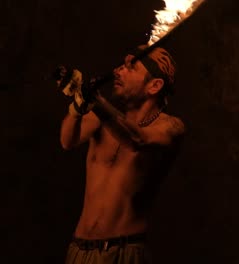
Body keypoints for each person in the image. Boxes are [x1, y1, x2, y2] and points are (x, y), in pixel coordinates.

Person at [58, 45, 185, 264]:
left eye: (130, 68)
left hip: (123, 254)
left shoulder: (171, 126)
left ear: (154, 85)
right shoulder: (100, 117)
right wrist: (77, 106)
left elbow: (136, 140)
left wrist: (96, 102)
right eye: (121, 65)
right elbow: (67, 141)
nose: (118, 71)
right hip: (79, 252)